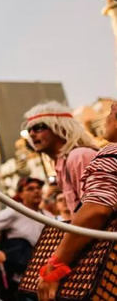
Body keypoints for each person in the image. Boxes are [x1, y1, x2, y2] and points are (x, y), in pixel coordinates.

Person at [37, 101, 117, 301]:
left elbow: (96, 212)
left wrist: (55, 267)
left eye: (112, 112)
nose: (107, 118)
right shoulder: (63, 164)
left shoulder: (86, 155)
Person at [23, 101, 99, 214]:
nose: (32, 134)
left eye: (38, 127)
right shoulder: (61, 165)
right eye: (29, 130)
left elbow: (95, 210)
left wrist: (71, 232)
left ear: (61, 128)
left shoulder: (79, 156)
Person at [0, 176, 49, 299]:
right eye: (30, 189)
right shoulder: (15, 211)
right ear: (20, 193)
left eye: (39, 188)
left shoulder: (47, 215)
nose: (36, 191)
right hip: (18, 273)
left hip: (41, 270)